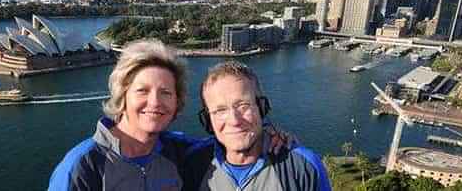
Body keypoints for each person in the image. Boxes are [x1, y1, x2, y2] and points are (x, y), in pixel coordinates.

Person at [47, 40, 290, 191]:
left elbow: (229, 139)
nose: (155, 102)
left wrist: (265, 129)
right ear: (123, 96)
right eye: (142, 90)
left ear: (177, 103)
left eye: (166, 92)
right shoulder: (83, 165)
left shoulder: (179, 152)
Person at [184, 61, 332, 191]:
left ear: (261, 107)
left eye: (243, 105)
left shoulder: (303, 167)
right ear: (208, 120)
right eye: (220, 110)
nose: (234, 121)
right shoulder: (192, 164)